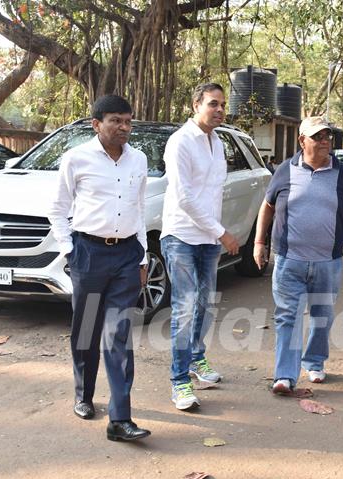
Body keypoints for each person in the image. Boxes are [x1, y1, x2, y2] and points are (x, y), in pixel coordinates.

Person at [49, 94, 151, 441]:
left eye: (127, 121)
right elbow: (57, 209)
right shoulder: (76, 159)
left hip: (126, 256)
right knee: (87, 331)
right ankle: (84, 394)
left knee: (118, 334)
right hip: (89, 255)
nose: (124, 127)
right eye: (115, 121)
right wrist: (69, 252)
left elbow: (139, 208)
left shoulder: (138, 159)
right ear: (97, 124)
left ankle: (120, 419)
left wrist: (143, 256)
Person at [252, 116, 343, 394]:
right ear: (302, 140)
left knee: (322, 316)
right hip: (288, 260)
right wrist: (259, 242)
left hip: (327, 262)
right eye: (317, 136)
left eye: (327, 136)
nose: (324, 141)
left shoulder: (341, 173)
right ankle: (284, 376)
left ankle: (315, 361)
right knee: (287, 317)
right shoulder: (285, 170)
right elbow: (267, 206)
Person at [161, 83, 240, 410]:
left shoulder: (217, 142)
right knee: (185, 306)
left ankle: (196, 359)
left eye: (222, 104)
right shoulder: (180, 142)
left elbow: (214, 194)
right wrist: (222, 232)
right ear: (196, 105)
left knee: (205, 305)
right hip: (181, 236)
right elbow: (185, 198)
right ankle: (179, 382)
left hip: (208, 240)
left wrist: (216, 234)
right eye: (212, 104)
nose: (219, 110)